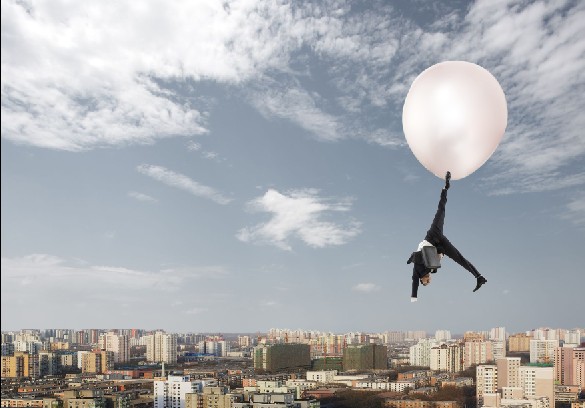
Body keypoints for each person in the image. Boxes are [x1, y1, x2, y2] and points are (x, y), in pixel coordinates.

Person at [407, 171, 487, 302]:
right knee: (459, 258)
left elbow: (414, 283)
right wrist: (441, 256)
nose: (429, 280)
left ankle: (445, 187)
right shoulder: (433, 270)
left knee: (441, 211)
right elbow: (438, 257)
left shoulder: (417, 272)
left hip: (432, 236)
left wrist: (414, 297)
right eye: (429, 282)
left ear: (423, 280)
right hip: (440, 243)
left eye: (427, 282)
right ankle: (479, 277)